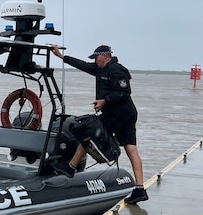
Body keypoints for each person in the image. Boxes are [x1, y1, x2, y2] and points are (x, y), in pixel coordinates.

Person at [50, 44, 148, 205]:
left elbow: (124, 93)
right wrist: (61, 57)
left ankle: (71, 167)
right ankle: (139, 189)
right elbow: (82, 65)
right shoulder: (100, 69)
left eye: (96, 57)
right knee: (131, 149)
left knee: (88, 132)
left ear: (105, 56)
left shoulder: (117, 70)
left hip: (121, 113)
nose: (95, 61)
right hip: (122, 114)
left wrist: (105, 100)